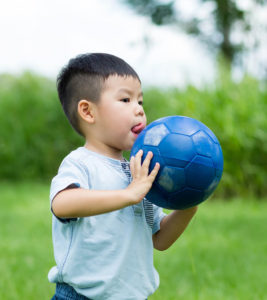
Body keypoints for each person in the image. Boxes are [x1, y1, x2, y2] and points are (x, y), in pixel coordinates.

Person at [49, 53, 197, 300]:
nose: (139, 110)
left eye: (140, 101)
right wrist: (128, 194)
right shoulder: (81, 163)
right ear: (88, 111)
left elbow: (159, 238)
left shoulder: (138, 171)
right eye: (126, 99)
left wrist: (187, 208)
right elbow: (62, 204)